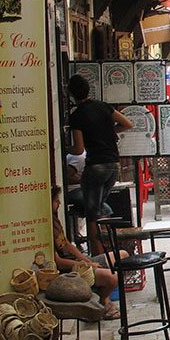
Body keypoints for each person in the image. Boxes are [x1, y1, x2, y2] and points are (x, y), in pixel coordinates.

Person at [67, 74, 132, 256]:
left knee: (92, 214)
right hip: (114, 165)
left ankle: (97, 257)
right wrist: (110, 131)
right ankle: (107, 250)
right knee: (100, 208)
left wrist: (63, 149)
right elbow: (127, 123)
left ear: (71, 94)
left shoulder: (77, 116)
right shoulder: (103, 106)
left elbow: (79, 149)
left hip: (96, 166)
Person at [51, 187, 121, 320]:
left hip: (80, 262)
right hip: (71, 270)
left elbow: (67, 244)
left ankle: (103, 296)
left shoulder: (55, 221)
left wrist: (87, 260)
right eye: (56, 200)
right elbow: (58, 261)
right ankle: (103, 301)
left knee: (121, 255)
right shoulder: (46, 226)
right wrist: (84, 264)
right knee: (113, 278)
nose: (59, 203)